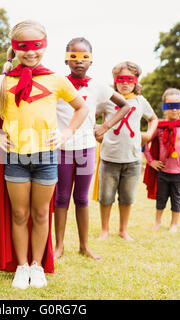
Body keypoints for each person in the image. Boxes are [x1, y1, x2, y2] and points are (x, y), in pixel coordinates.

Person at [0, 20, 88, 289]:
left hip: (47, 157)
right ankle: (21, 266)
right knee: (19, 214)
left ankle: (37, 265)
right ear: (14, 48)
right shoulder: (1, 82)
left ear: (45, 45)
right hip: (15, 158)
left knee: (40, 214)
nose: (30, 52)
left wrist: (66, 133)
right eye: (23, 46)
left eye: (36, 45)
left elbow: (80, 108)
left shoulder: (56, 79)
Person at [54, 37, 130, 260]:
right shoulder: (58, 83)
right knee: (61, 197)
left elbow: (124, 105)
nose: (79, 62)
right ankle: (59, 246)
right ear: (67, 59)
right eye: (74, 57)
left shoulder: (98, 86)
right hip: (63, 149)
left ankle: (84, 246)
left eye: (85, 57)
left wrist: (105, 126)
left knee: (82, 198)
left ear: (91, 61)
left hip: (87, 149)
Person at [95, 61, 158, 241]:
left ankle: (123, 230)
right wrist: (97, 133)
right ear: (115, 81)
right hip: (109, 158)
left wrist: (149, 135)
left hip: (132, 159)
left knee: (127, 197)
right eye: (120, 79)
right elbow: (89, 115)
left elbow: (153, 119)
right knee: (106, 197)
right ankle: (104, 230)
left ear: (136, 81)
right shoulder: (108, 100)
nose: (125, 83)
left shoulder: (140, 101)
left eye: (129, 79)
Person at [143, 88, 180, 233]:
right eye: (170, 106)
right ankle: (157, 222)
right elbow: (144, 142)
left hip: (179, 172)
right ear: (164, 107)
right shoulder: (159, 127)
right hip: (163, 171)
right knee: (161, 198)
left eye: (178, 106)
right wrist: (151, 161)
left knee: (177, 198)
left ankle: (174, 224)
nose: (174, 110)